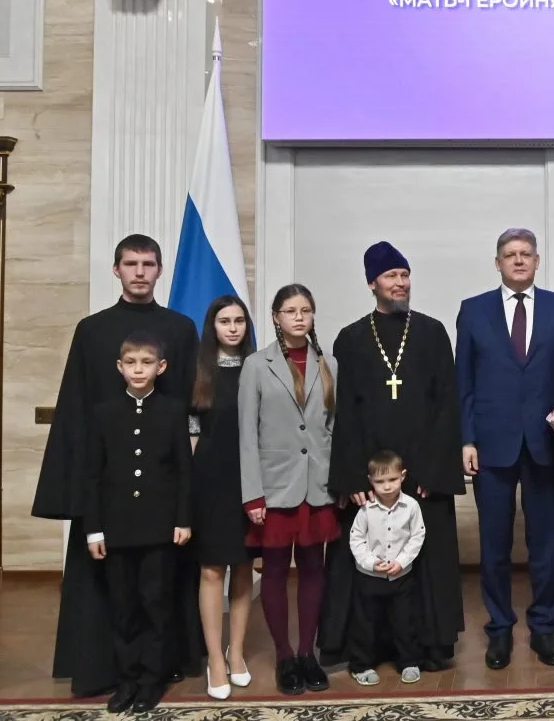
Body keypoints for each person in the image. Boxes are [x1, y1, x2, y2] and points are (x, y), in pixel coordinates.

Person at [31, 233, 200, 696]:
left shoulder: (181, 329)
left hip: (162, 491)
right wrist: (78, 493)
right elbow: (74, 408)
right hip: (106, 487)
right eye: (131, 264)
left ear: (159, 270)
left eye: (148, 264)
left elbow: (192, 404)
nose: (140, 272)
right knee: (111, 588)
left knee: (159, 590)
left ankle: (161, 666)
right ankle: (104, 668)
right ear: (116, 270)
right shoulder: (92, 330)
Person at [320, 242, 464, 671]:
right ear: (372, 283)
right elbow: (345, 413)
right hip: (371, 477)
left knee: (427, 555)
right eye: (390, 276)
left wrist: (433, 471)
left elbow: (446, 405)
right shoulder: (350, 338)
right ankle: (362, 646)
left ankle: (428, 646)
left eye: (404, 275)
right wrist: (354, 478)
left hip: (421, 474)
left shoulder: (432, 332)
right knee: (363, 556)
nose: (400, 283)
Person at [455, 228, 554, 670]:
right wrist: (466, 438)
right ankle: (499, 629)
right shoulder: (473, 310)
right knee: (494, 545)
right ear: (497, 263)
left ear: (536, 261)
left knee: (544, 543)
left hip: (546, 444)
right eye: (509, 254)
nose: (518, 260)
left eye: (525, 254)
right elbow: (463, 382)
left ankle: (544, 627)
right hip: (491, 444)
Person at [84, 332, 193, 713]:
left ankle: (151, 680)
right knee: (124, 607)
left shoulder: (173, 410)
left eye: (146, 363)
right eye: (131, 363)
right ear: (120, 366)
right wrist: (94, 529)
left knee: (156, 605)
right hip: (116, 529)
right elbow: (93, 476)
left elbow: (183, 471)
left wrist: (183, 520)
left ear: (161, 367)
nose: (138, 370)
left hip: (160, 529)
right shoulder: (104, 412)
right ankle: (127, 680)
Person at [239, 283, 338, 695]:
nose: (299, 317)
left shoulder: (328, 363)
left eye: (305, 311)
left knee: (314, 568)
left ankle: (306, 653)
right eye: (290, 311)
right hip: (275, 485)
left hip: (318, 484)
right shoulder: (256, 365)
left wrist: (337, 481)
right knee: (276, 570)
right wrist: (252, 493)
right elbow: (247, 434)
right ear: (276, 317)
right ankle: (284, 656)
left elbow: (334, 427)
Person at [189, 295, 257, 700]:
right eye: (224, 321)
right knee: (212, 569)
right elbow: (191, 436)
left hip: (249, 481)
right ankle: (215, 658)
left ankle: (237, 652)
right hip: (209, 483)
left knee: (245, 567)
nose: (232, 328)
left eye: (239, 321)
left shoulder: (258, 367)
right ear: (212, 326)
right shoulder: (198, 370)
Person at [346, 450, 427, 686]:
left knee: (404, 622)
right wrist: (371, 562)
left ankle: (409, 662)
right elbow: (356, 539)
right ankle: (361, 665)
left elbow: (417, 536)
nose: (387, 486)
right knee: (366, 623)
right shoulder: (365, 509)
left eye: (392, 479)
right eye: (380, 481)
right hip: (369, 577)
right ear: (370, 481)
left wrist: (401, 561)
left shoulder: (411, 506)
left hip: (402, 576)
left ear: (403, 476)